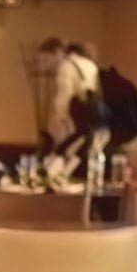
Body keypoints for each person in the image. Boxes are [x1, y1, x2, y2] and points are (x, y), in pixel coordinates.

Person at [36, 37, 107, 179]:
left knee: (63, 159)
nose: (45, 66)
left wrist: (56, 126)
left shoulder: (65, 67)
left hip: (79, 124)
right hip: (97, 123)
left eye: (46, 60)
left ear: (57, 52)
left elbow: (64, 98)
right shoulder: (89, 64)